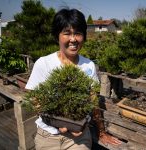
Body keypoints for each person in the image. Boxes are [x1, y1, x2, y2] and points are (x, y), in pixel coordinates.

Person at [25, 8, 121, 150]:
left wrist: (101, 131)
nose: (73, 39)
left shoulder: (89, 65)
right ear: (57, 35)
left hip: (79, 138)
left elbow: (93, 100)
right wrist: (57, 122)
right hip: (48, 136)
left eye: (78, 33)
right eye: (67, 33)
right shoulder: (44, 63)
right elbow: (33, 97)